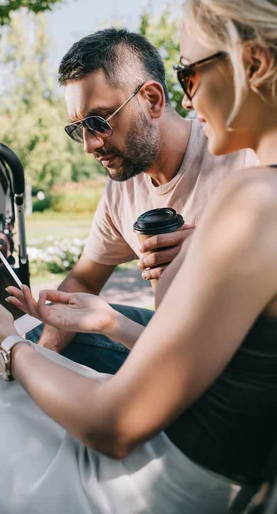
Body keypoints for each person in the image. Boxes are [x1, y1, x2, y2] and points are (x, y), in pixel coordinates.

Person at [0, 0, 277, 514]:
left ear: (255, 65)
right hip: (183, 451)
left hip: (134, 482)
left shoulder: (254, 197)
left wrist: (8, 345)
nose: (189, 96)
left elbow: (115, 424)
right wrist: (103, 320)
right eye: (78, 130)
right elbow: (235, 370)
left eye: (190, 72)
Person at [29, 28, 258, 372]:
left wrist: (214, 254)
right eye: (79, 129)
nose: (89, 145)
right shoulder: (123, 186)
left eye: (98, 121)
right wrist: (45, 355)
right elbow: (84, 281)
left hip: (246, 360)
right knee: (40, 334)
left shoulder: (240, 152)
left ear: (152, 100)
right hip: (176, 342)